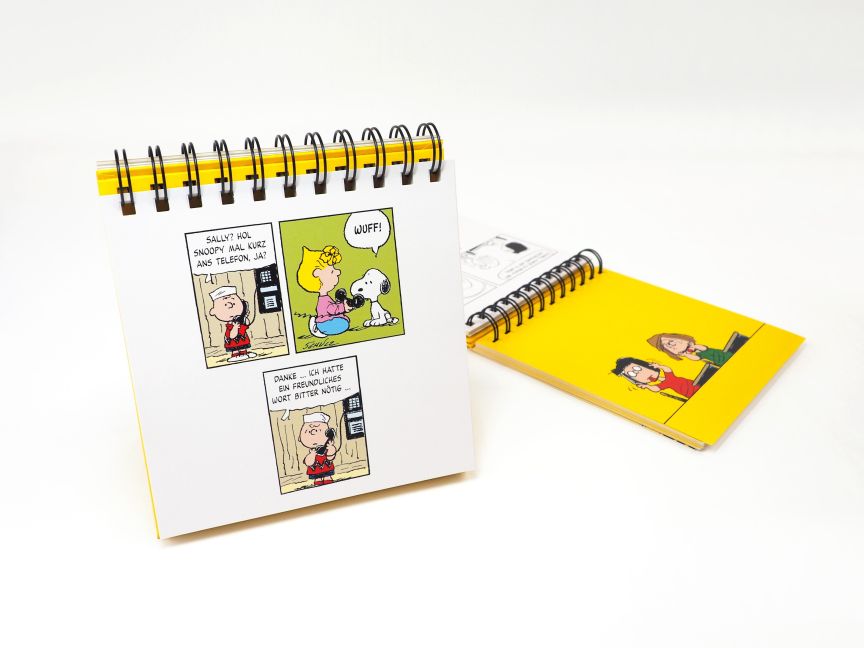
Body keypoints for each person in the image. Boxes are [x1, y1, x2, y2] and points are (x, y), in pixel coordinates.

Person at [297, 245, 353, 337]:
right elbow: (331, 309)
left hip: (326, 321)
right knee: (343, 323)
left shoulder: (325, 298)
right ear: (317, 274)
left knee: (344, 321)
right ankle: (319, 329)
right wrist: (343, 307)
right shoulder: (323, 300)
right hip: (325, 323)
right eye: (332, 271)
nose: (338, 272)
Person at [208, 285, 257, 363]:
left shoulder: (240, 319)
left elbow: (247, 324)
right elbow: (232, 336)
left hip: (242, 338)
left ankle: (244, 353)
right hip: (233, 341)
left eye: (234, 303)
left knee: (243, 347)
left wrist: (244, 317)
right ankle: (235, 355)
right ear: (213, 311)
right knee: (236, 348)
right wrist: (235, 328)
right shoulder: (230, 325)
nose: (230, 305)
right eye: (225, 305)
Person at [612, 357, 700, 399]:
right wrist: (647, 386)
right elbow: (656, 388)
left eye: (638, 369)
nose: (641, 374)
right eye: (632, 374)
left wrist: (659, 366)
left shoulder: (669, 377)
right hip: (690, 394)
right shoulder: (665, 384)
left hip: (697, 385)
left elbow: (668, 369)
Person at [646, 332, 733, 367]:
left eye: (671, 341)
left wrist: (694, 346)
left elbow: (704, 348)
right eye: (667, 346)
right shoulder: (695, 355)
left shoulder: (696, 347)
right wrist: (686, 354)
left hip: (726, 356)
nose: (671, 345)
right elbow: (697, 358)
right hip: (718, 363)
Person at [298, 412, 338, 486]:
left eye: (319, 431)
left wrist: (331, 448)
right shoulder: (311, 452)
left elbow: (330, 457)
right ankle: (318, 481)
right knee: (318, 481)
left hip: (327, 469)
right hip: (315, 471)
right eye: (307, 432)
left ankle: (327, 479)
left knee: (328, 479)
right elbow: (308, 463)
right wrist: (312, 455)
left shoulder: (327, 448)